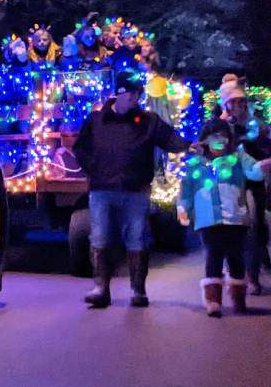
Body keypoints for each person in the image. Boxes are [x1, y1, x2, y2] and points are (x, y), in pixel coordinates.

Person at [73, 71, 192, 308]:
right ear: (119, 93)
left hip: (135, 190)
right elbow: (81, 148)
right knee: (100, 237)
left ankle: (138, 290)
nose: (135, 99)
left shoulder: (148, 121)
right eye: (132, 94)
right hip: (102, 189)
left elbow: (170, 140)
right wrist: (93, 169)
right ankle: (100, 288)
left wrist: (192, 147)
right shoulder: (97, 120)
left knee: (137, 238)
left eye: (138, 94)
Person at [178, 119, 271, 316]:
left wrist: (263, 166)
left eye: (223, 136)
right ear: (205, 140)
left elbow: (254, 172)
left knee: (235, 257)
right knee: (213, 255)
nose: (219, 141)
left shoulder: (238, 158)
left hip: (235, 219)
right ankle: (213, 301)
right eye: (214, 137)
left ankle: (239, 298)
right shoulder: (197, 164)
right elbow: (186, 188)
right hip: (208, 220)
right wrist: (183, 208)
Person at [218, 76, 271, 295]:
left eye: (240, 102)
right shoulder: (221, 126)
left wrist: (270, 162)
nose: (237, 106)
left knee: (253, 226)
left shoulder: (258, 126)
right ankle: (233, 271)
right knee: (228, 229)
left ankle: (251, 276)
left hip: (253, 184)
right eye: (232, 102)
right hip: (228, 185)